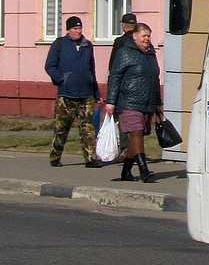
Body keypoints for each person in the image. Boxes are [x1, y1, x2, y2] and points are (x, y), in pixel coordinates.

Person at [105, 22, 163, 183]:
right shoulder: (125, 53)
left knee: (136, 137)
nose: (147, 39)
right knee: (136, 132)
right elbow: (115, 77)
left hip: (147, 102)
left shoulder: (151, 54)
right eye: (144, 36)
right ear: (135, 36)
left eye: (149, 36)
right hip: (128, 101)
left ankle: (126, 172)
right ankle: (144, 169)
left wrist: (158, 102)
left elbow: (155, 79)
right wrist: (111, 101)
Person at [45, 16, 104, 169]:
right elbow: (50, 66)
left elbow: (92, 70)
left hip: (86, 95)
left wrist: (96, 93)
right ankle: (55, 156)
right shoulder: (59, 44)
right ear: (68, 30)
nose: (78, 32)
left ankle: (90, 158)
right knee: (61, 128)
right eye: (74, 29)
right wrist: (62, 79)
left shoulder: (87, 45)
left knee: (88, 129)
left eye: (79, 28)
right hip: (66, 95)